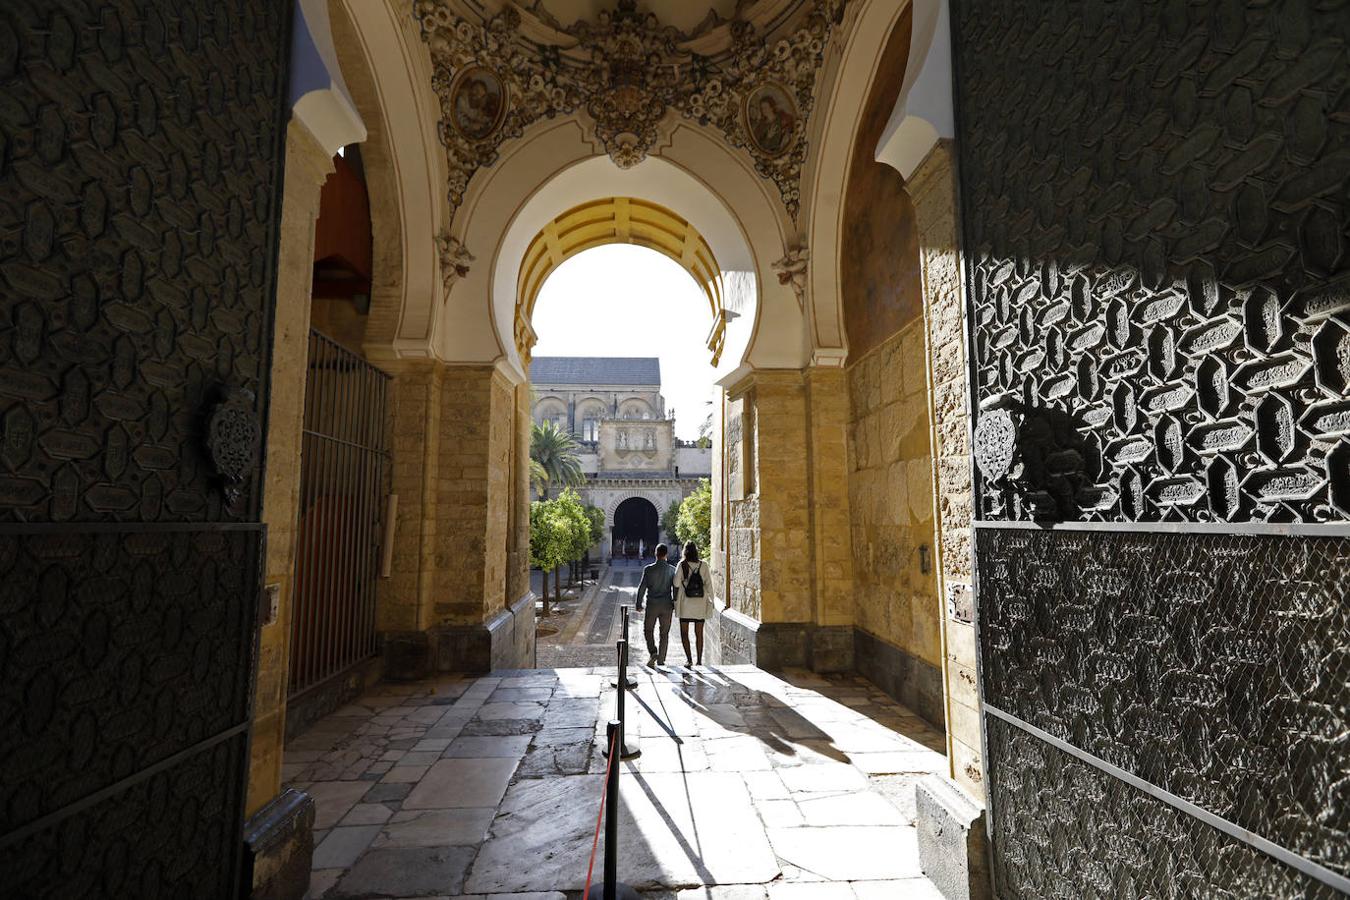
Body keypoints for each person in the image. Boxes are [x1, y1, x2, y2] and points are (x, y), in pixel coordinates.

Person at [635, 543, 676, 667]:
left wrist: (638, 603)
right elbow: (676, 589)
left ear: (655, 554)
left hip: (652, 605)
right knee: (664, 633)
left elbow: (642, 587)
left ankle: (653, 652)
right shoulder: (672, 570)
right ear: (666, 555)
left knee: (648, 630)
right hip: (667, 605)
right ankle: (661, 660)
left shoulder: (648, 569)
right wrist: (675, 603)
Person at [674, 542, 713, 668]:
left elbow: (676, 583)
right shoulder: (704, 565)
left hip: (686, 604)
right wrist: (712, 601)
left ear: (685, 551)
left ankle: (689, 660)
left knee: (684, 633)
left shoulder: (682, 564)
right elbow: (709, 585)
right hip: (700, 604)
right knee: (699, 633)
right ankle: (699, 660)